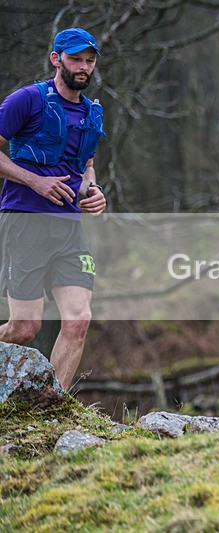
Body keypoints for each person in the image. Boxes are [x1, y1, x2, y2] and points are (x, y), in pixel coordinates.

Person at [0, 28, 107, 389]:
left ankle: (52, 406)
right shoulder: (27, 100)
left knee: (78, 321)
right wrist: (35, 180)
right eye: (76, 58)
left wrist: (93, 191)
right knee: (25, 328)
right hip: (25, 221)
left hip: (68, 228)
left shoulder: (92, 113)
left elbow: (85, 166)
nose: (83, 67)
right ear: (56, 59)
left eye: (89, 61)